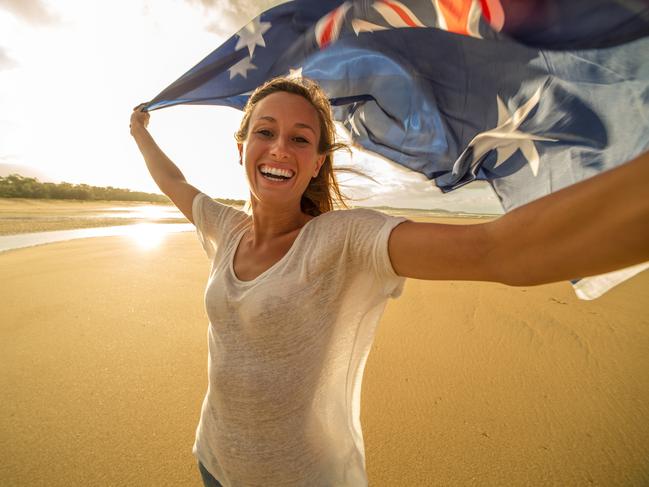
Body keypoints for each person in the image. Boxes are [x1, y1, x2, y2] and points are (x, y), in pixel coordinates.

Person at [130, 76, 648, 487]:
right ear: (240, 146)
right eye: (265, 132)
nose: (279, 149)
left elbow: (494, 250)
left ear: (316, 165)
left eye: (300, 139)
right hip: (214, 460)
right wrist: (140, 133)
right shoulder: (224, 227)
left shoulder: (341, 240)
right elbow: (173, 181)